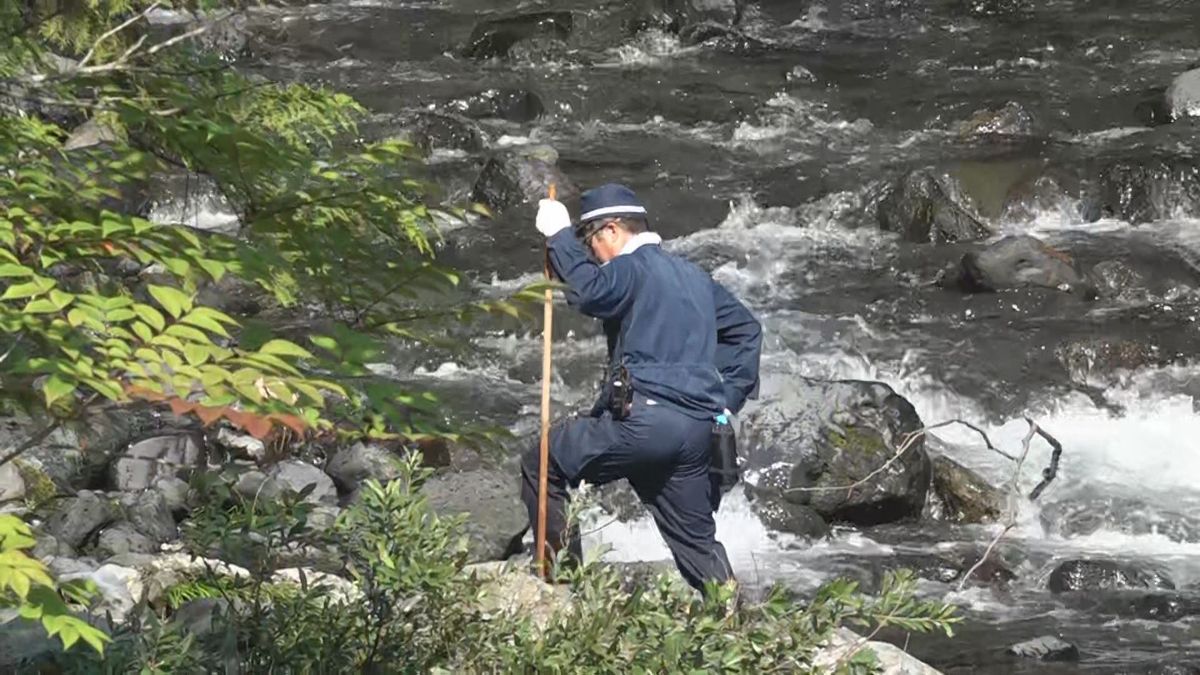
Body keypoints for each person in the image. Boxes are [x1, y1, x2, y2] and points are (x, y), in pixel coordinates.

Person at [519, 183, 763, 593]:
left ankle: (557, 589)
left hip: (643, 424)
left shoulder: (632, 268)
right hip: (698, 432)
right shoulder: (696, 278)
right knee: (698, 545)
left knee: (544, 462)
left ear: (611, 230)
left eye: (590, 242)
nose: (594, 254)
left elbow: (589, 292)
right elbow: (747, 330)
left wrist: (559, 238)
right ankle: (735, 632)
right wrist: (726, 399)